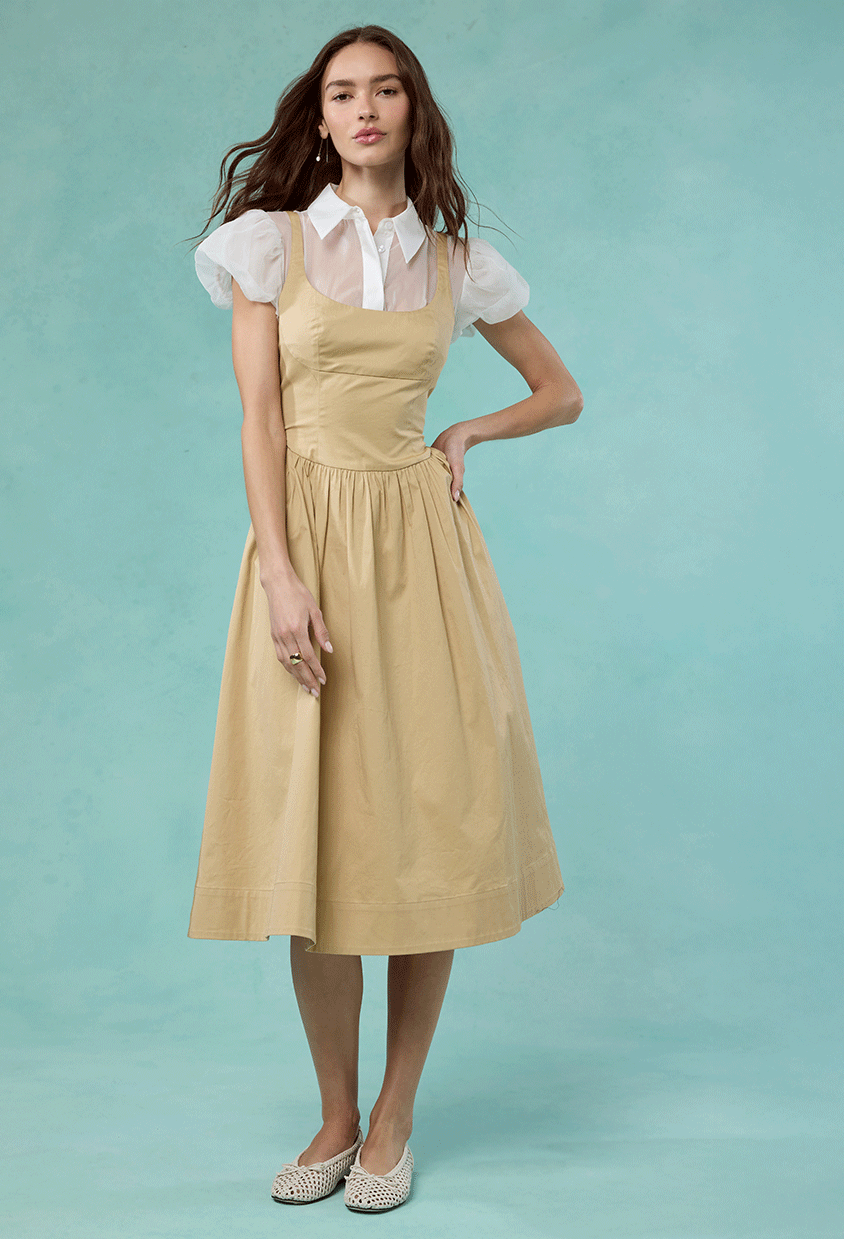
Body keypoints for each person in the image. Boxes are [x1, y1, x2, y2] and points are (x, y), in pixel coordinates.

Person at [185, 24, 582, 1213]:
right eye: (341, 93)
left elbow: (558, 393)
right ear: (317, 119)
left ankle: (395, 1114)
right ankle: (333, 1110)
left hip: (420, 552)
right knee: (320, 832)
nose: (363, 110)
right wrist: (281, 577)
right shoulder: (266, 245)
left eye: (385, 90)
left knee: (422, 828)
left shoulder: (462, 265)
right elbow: (260, 421)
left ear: (413, 111)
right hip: (306, 542)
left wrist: (466, 432)